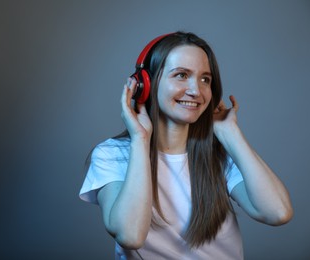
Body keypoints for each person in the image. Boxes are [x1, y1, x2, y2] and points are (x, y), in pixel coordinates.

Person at [79, 31, 293, 259]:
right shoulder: (112, 155)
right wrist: (141, 140)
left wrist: (229, 133)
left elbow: (278, 213)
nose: (196, 90)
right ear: (145, 85)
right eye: (181, 75)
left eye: (205, 79)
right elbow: (130, 235)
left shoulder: (218, 155)